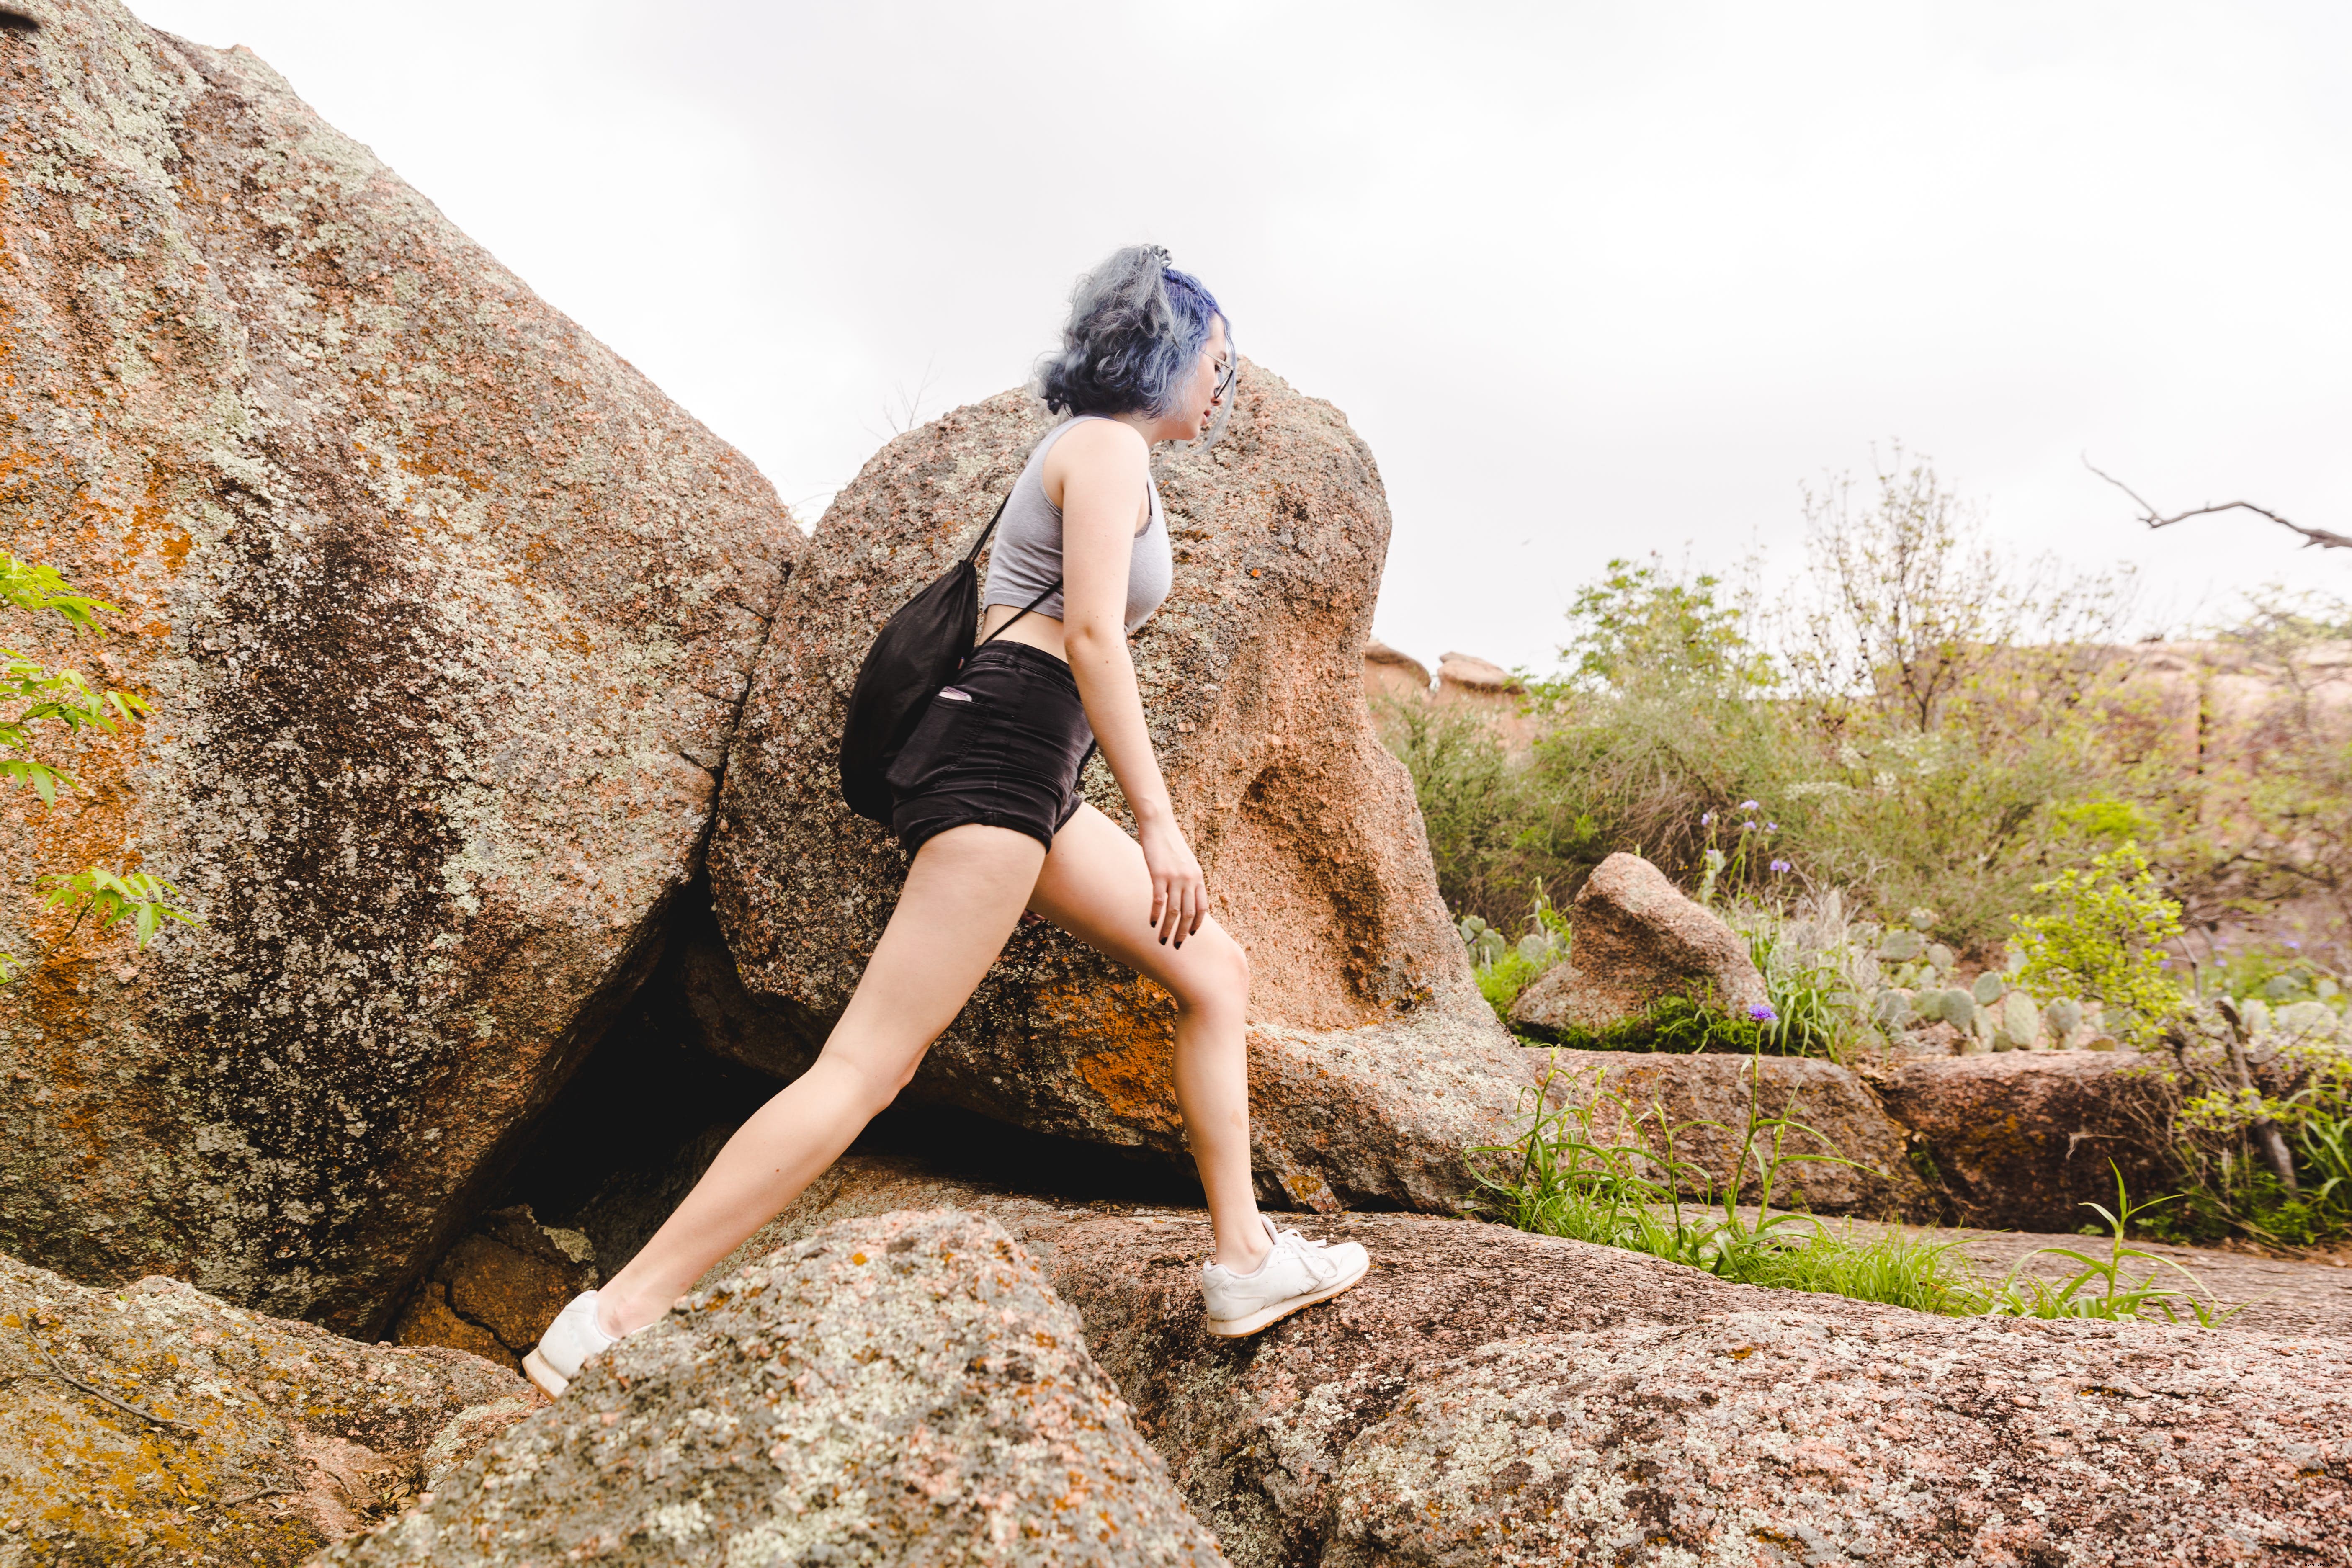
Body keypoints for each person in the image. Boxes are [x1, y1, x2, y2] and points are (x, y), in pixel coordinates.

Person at [523, 245, 1370, 1398]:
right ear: (1167, 356)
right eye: (1218, 361)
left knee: (1215, 969)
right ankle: (614, 1313)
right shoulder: (1107, 445)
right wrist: (1163, 822)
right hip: (1006, 749)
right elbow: (1088, 636)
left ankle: (1241, 1258)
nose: (1226, 387)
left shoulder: (1101, 452)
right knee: (866, 1063)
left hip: (1030, 766)